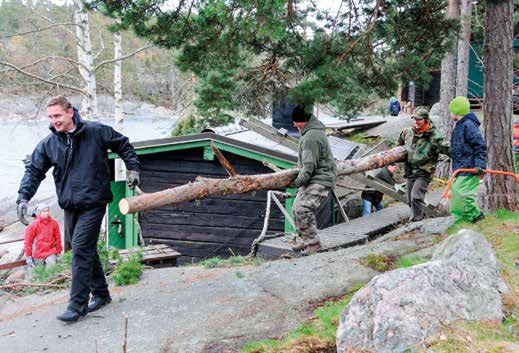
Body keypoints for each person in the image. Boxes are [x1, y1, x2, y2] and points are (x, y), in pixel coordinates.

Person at [16, 96, 140, 322]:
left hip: (95, 201)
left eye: (58, 116)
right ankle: (101, 294)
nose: (54, 121)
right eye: (51, 117)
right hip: (71, 205)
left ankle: (77, 305)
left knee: (81, 248)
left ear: (70, 112)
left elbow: (123, 144)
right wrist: (23, 197)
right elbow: (34, 171)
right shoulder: (49, 144)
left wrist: (133, 169)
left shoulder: (96, 132)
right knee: (85, 249)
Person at [290, 105, 337, 254]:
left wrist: (296, 182)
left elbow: (309, 166)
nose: (294, 125)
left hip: (320, 179)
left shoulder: (311, 137)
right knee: (295, 208)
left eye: (296, 122)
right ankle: (306, 240)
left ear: (303, 121)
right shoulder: (312, 132)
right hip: (315, 178)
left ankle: (314, 243)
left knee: (302, 209)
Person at [398, 107, 449, 222]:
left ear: (426, 120)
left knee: (416, 197)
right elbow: (398, 147)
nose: (416, 122)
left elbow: (448, 148)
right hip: (410, 171)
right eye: (414, 119)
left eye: (419, 120)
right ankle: (418, 217)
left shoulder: (435, 136)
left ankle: (417, 221)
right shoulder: (407, 132)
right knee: (410, 200)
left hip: (424, 173)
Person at [448, 96, 487, 223]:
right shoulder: (459, 126)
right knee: (455, 194)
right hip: (460, 169)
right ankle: (459, 221)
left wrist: (479, 166)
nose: (450, 114)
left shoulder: (469, 125)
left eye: (451, 111)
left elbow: (480, 146)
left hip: (471, 169)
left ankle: (476, 216)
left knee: (463, 195)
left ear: (456, 111)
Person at [24, 204, 62, 273]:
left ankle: (51, 282)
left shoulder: (54, 223)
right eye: (44, 211)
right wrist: (28, 257)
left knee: (51, 269)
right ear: (39, 213)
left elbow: (58, 239)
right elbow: (28, 242)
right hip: (38, 254)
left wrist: (59, 253)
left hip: (50, 252)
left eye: (47, 211)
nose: (46, 213)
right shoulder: (33, 225)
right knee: (38, 274)